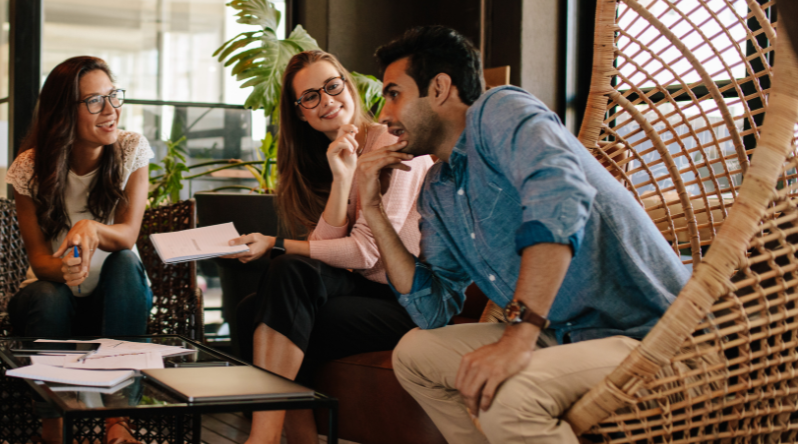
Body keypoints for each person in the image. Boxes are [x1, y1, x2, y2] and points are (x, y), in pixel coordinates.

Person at [357, 26, 690, 444]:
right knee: (414, 354)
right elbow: (432, 312)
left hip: (653, 336)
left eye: (393, 93)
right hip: (564, 336)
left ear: (439, 88)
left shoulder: (500, 109)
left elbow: (560, 195)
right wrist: (373, 210)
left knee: (512, 396)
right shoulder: (439, 190)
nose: (384, 115)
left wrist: (519, 336)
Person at [224, 50, 434, 444]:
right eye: (310, 97)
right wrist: (342, 179)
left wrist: (274, 243)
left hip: (410, 300)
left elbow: (367, 254)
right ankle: (293, 439)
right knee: (260, 301)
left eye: (332, 86)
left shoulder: (391, 142)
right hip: (366, 290)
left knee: (275, 295)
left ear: (348, 85)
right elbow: (324, 252)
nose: (326, 101)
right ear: (300, 112)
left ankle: (263, 438)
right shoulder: (333, 155)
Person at [6, 55, 153, 338]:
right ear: (63, 112)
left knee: (124, 261)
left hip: (118, 293)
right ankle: (47, 382)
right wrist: (69, 270)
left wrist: (92, 227)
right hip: (52, 290)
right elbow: (39, 259)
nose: (110, 110)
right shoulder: (29, 168)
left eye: (113, 96)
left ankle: (122, 377)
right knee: (50, 296)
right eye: (95, 100)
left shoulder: (131, 149)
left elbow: (127, 236)